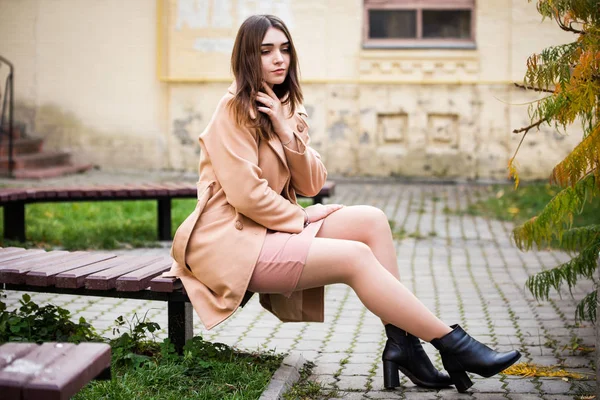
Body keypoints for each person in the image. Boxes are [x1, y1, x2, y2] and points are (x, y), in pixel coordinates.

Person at [165, 14, 520, 393]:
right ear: (247, 57)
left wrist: (289, 135)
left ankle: (403, 345)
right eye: (266, 51)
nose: (278, 59)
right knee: (355, 258)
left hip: (264, 230)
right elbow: (245, 195)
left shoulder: (284, 107)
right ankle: (453, 344)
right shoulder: (233, 110)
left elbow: (312, 181)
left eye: (284, 49)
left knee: (371, 220)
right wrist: (300, 217)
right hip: (229, 242)